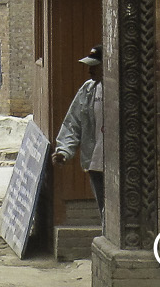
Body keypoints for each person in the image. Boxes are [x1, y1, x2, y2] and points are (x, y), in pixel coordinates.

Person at [53, 46, 105, 226]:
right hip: (95, 163)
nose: (90, 70)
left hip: (119, 165)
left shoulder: (122, 91)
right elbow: (73, 123)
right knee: (104, 210)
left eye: (95, 66)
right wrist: (64, 151)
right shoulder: (88, 90)